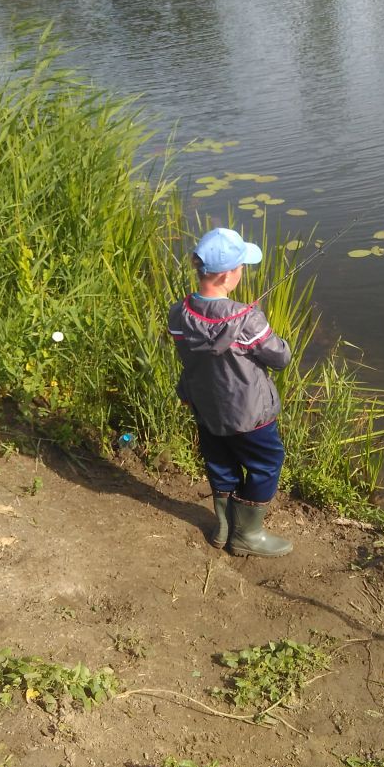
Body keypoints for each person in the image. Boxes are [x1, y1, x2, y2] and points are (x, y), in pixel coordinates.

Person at [167, 227, 293, 557]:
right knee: (267, 463)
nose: (242, 272)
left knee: (220, 460)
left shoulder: (178, 313)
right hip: (250, 415)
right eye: (241, 267)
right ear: (226, 275)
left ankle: (223, 527)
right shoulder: (248, 320)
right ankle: (247, 534)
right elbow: (280, 358)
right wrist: (267, 331)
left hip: (205, 407)